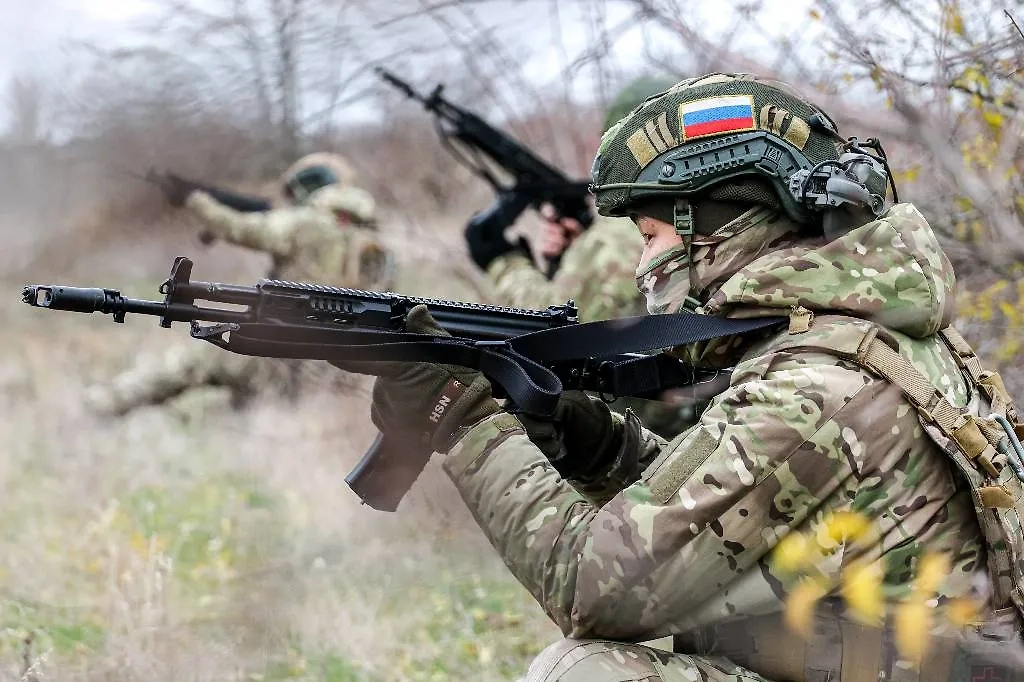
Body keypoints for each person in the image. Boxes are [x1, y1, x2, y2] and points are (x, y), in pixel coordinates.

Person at [334, 73, 1024, 680]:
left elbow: (592, 588)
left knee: (586, 673)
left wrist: (462, 415)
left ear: (717, 227)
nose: (643, 265)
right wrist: (590, 439)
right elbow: (733, 502)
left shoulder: (814, 388)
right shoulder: (874, 337)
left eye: (650, 236)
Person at [474, 75, 710, 439]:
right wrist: (572, 257)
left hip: (646, 441)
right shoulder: (711, 213)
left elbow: (551, 329)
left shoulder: (616, 236)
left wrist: (504, 262)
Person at [85, 152, 394, 416]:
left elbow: (242, 229)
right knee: (253, 405)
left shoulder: (306, 223)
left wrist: (195, 201)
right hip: (334, 361)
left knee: (192, 365)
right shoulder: (376, 245)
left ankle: (106, 404)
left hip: (280, 340)